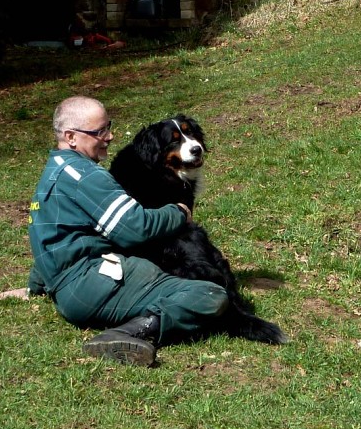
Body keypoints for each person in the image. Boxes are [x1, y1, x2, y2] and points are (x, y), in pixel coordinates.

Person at [27, 96, 229, 366]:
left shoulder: (53, 172)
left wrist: (35, 286)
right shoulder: (87, 177)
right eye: (99, 132)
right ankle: (129, 333)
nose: (110, 136)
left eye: (108, 126)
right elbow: (135, 228)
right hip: (91, 287)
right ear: (71, 137)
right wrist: (178, 212)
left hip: (65, 288)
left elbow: (48, 237)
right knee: (209, 295)